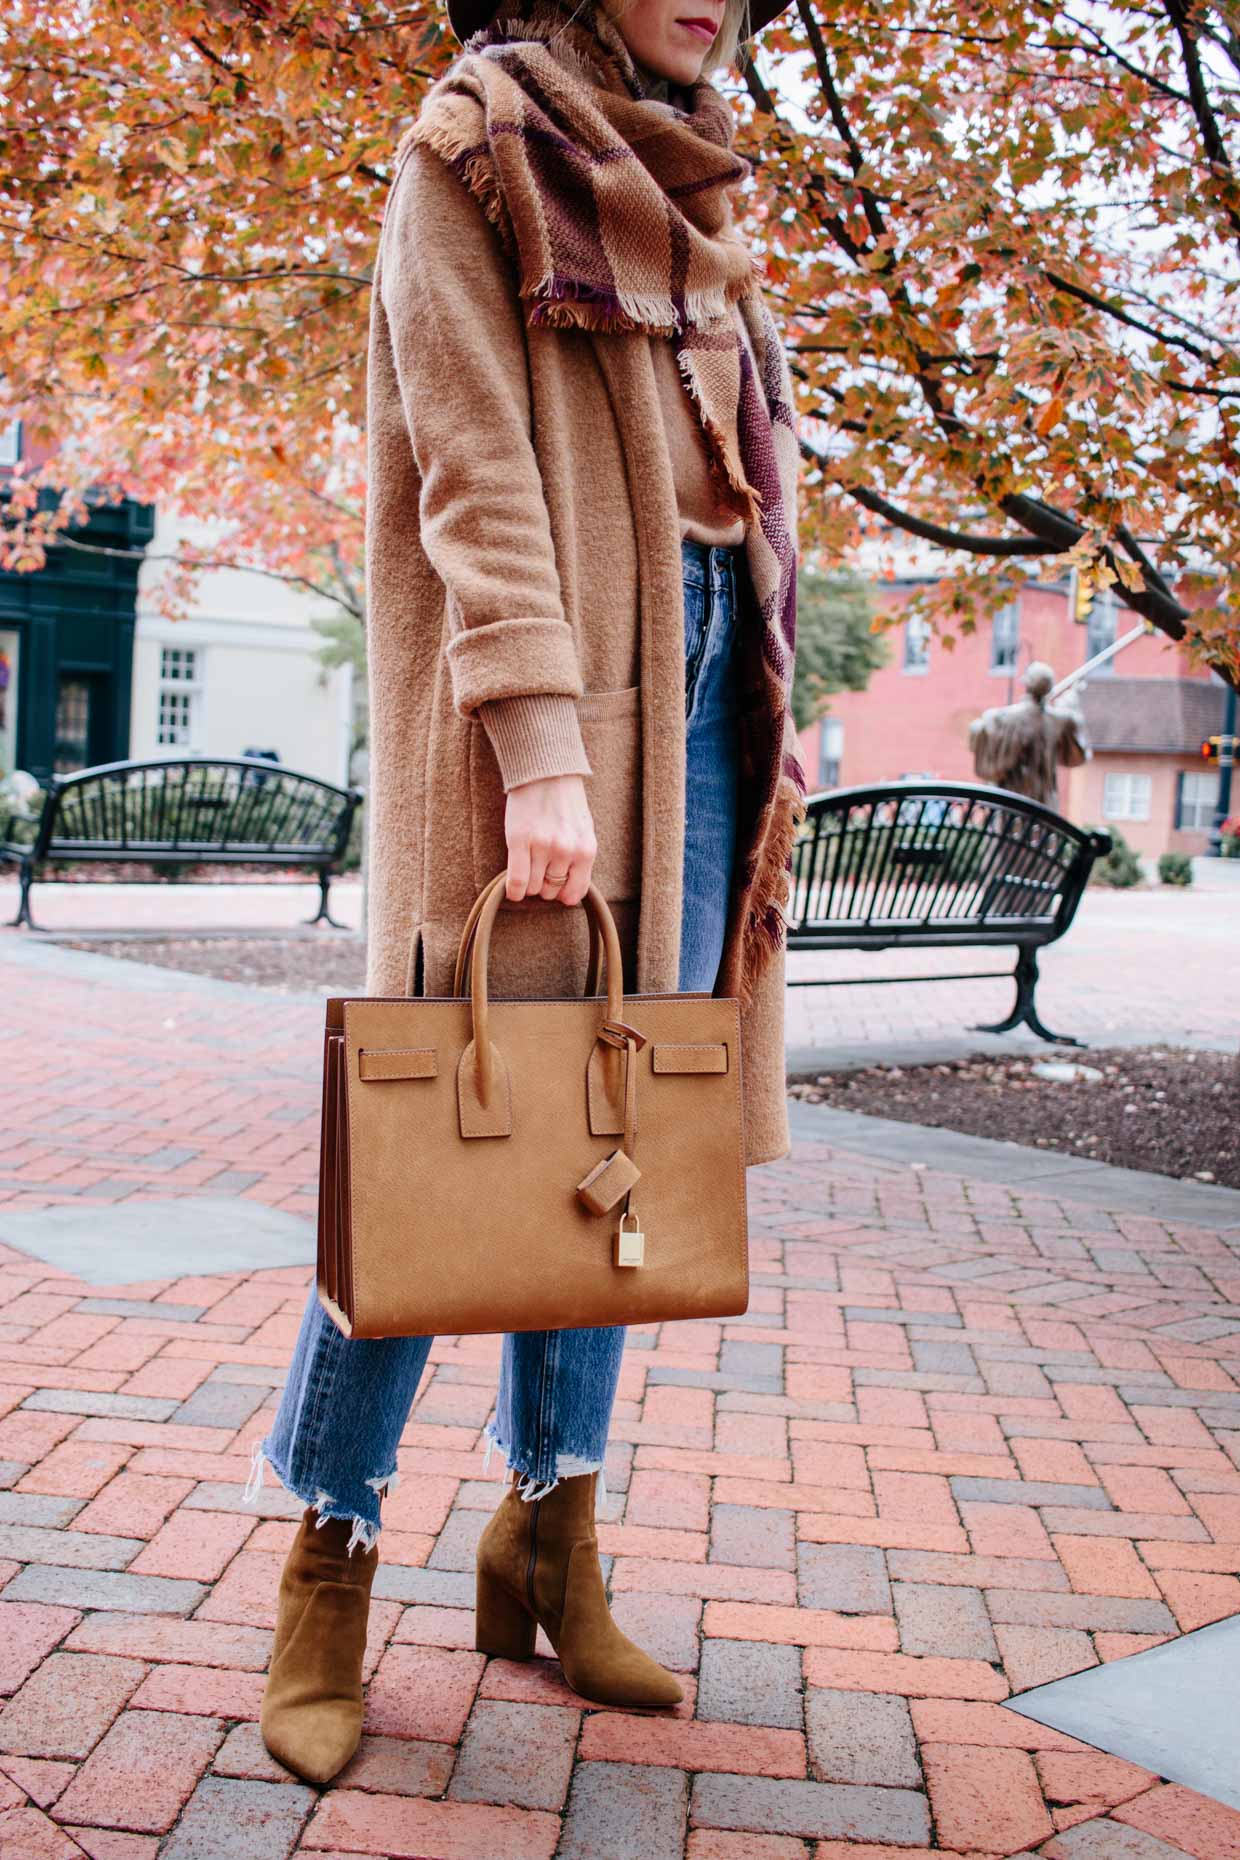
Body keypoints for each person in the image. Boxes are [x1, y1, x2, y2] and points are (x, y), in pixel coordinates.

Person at [241, 0, 806, 1785]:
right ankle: (325, 1564)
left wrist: (778, 706)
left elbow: (748, 482)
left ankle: (549, 1542)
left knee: (611, 1133)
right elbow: (473, 467)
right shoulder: (473, 143)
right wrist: (540, 741)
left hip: (708, 690)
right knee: (432, 1146)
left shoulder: (698, 182)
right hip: (539, 702)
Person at [969, 661, 1091, 808]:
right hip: (1045, 809)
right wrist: (1071, 705)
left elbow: (982, 737)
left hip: (1010, 806)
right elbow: (1077, 750)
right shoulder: (1060, 720)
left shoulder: (1003, 719)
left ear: (1026, 685)